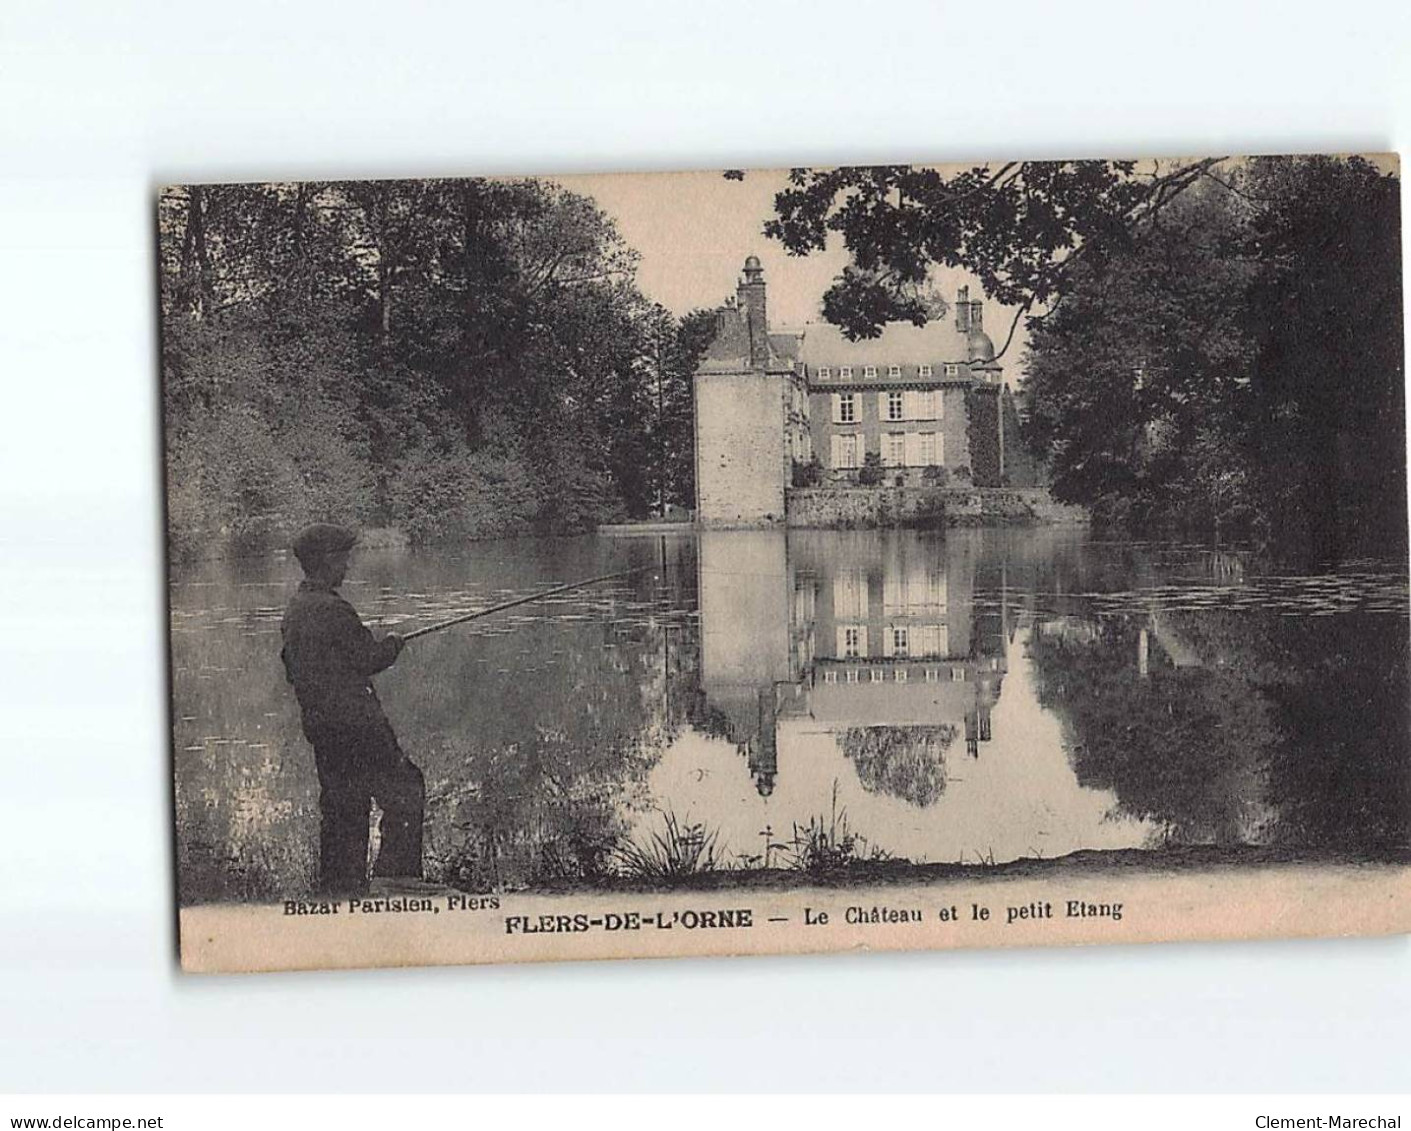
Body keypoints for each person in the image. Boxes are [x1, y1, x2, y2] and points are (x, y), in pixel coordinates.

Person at [280, 523, 425, 896]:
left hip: (323, 729)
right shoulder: (333, 609)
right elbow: (368, 657)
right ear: (326, 561)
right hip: (359, 727)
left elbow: (291, 668)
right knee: (406, 789)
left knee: (344, 807)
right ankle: (396, 881)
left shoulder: (295, 611)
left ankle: (341, 889)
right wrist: (393, 644)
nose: (346, 566)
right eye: (343, 558)